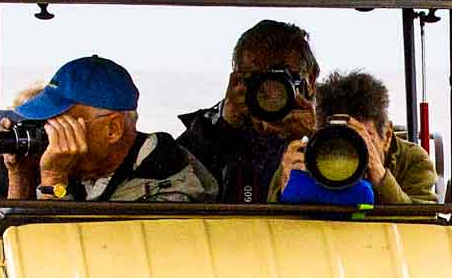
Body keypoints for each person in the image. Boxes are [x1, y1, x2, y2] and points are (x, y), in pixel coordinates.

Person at [0, 55, 215, 203]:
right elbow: (12, 249)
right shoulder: (86, 170)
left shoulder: (172, 188)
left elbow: (58, 265)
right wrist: (20, 176)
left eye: (58, 121)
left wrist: (53, 179)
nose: (47, 132)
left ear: (112, 129)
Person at [176, 20, 320, 204]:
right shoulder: (209, 132)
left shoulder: (335, 134)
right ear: (237, 79)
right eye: (257, 78)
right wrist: (223, 129)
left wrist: (312, 141)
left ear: (311, 77)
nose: (271, 92)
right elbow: (172, 185)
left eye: (284, 78)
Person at [285, 70, 438, 205]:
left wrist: (381, 179)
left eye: (364, 138)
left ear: (387, 136)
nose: (349, 152)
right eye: (336, 145)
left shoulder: (413, 161)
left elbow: (424, 224)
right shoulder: (305, 155)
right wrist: (285, 187)